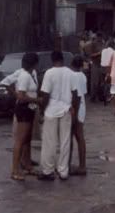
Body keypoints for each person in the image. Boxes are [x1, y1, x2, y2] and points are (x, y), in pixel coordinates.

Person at [38, 51, 79, 181]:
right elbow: (75, 94)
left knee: (49, 142)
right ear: (62, 59)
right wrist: (74, 110)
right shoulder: (71, 73)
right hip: (66, 110)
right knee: (65, 141)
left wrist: (41, 111)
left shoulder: (49, 73)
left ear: (52, 60)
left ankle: (48, 170)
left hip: (51, 111)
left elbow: (45, 95)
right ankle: (63, 171)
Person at [11, 53, 41, 181]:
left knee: (27, 138)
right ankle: (15, 170)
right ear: (34, 64)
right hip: (24, 109)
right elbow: (21, 96)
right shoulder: (24, 76)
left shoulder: (29, 75)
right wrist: (36, 100)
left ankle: (27, 165)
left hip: (29, 108)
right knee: (20, 140)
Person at [2, 67, 39, 171]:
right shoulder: (21, 73)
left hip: (32, 107)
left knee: (28, 137)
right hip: (23, 107)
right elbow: (5, 82)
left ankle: (27, 160)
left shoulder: (33, 72)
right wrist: (16, 94)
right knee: (21, 138)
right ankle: (17, 166)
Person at [69, 55, 87, 176]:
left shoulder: (73, 76)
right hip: (81, 107)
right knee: (79, 137)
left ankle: (79, 166)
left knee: (75, 136)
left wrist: (74, 113)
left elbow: (77, 96)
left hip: (76, 107)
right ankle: (81, 165)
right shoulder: (82, 76)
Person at [89, 32, 104, 102]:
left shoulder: (103, 43)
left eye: (101, 37)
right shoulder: (93, 44)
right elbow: (90, 55)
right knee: (94, 82)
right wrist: (98, 53)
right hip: (95, 64)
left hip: (101, 64)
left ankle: (100, 96)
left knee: (101, 81)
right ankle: (93, 97)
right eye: (99, 37)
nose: (100, 39)